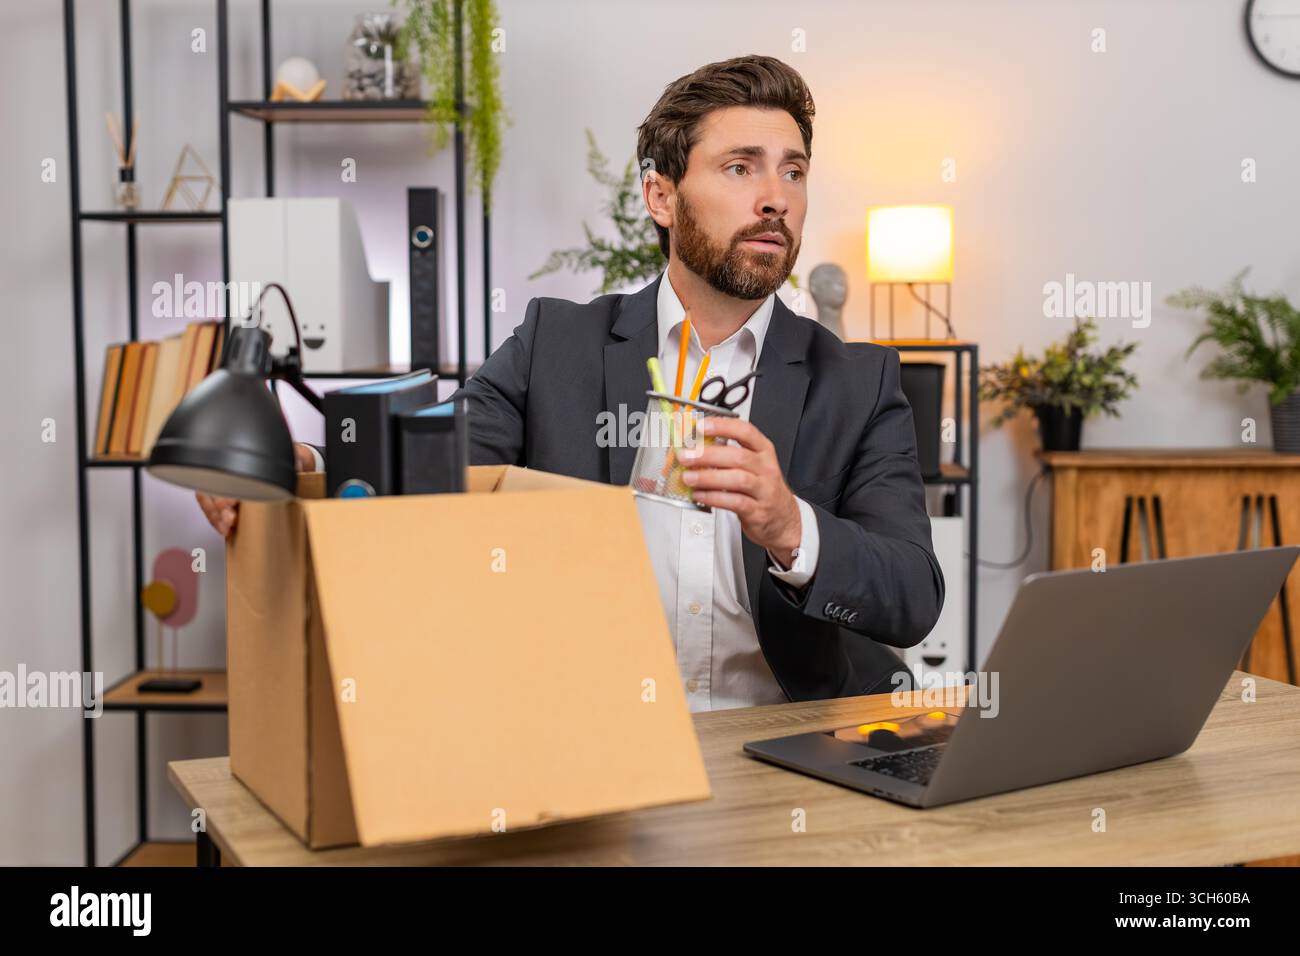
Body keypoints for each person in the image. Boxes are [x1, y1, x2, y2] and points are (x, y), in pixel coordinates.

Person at [198, 54, 944, 710]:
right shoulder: (556, 343)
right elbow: (431, 470)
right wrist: (311, 471)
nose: (776, 196)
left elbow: (912, 597)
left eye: (793, 170)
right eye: (741, 167)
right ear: (661, 197)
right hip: (590, 743)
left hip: (780, 749)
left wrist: (788, 525)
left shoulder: (858, 380)